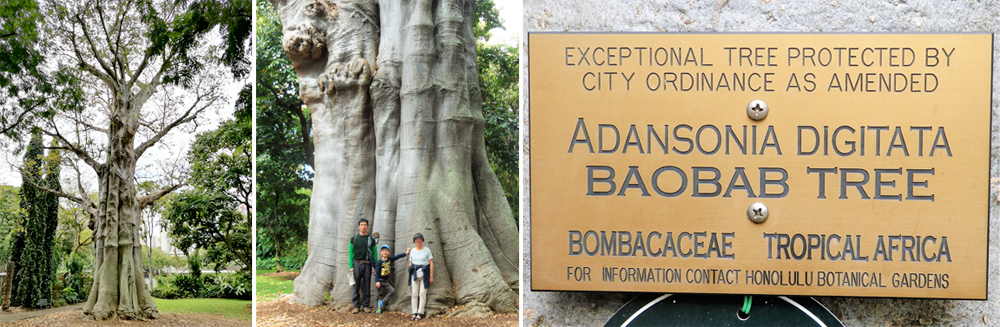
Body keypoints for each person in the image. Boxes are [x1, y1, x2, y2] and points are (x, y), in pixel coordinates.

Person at [348, 219, 377, 314]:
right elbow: (350, 253)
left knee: (367, 285)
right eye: (361, 225)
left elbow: (375, 253)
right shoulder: (354, 238)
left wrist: (375, 267)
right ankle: (356, 306)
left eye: (365, 225)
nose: (363, 226)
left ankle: (366, 305)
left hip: (367, 264)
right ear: (358, 226)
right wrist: (351, 266)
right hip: (356, 264)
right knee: (356, 285)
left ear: (367, 226)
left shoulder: (371, 239)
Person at [373, 244, 406, 314]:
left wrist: (406, 253)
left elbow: (397, 256)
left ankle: (382, 302)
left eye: (386, 251)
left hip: (386, 281)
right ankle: (377, 309)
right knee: (376, 295)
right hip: (379, 280)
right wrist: (377, 281)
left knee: (392, 291)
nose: (385, 252)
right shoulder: (379, 262)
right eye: (383, 251)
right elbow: (377, 272)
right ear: (381, 252)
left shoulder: (390, 259)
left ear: (389, 252)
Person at [407, 233, 433, 321]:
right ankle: (414, 312)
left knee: (422, 294)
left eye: (419, 239)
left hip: (424, 274)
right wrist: (410, 272)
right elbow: (410, 262)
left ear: (422, 240)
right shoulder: (413, 251)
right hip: (414, 274)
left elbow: (431, 263)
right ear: (414, 241)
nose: (418, 241)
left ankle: (420, 313)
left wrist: (431, 277)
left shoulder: (427, 250)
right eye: (416, 239)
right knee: (414, 294)